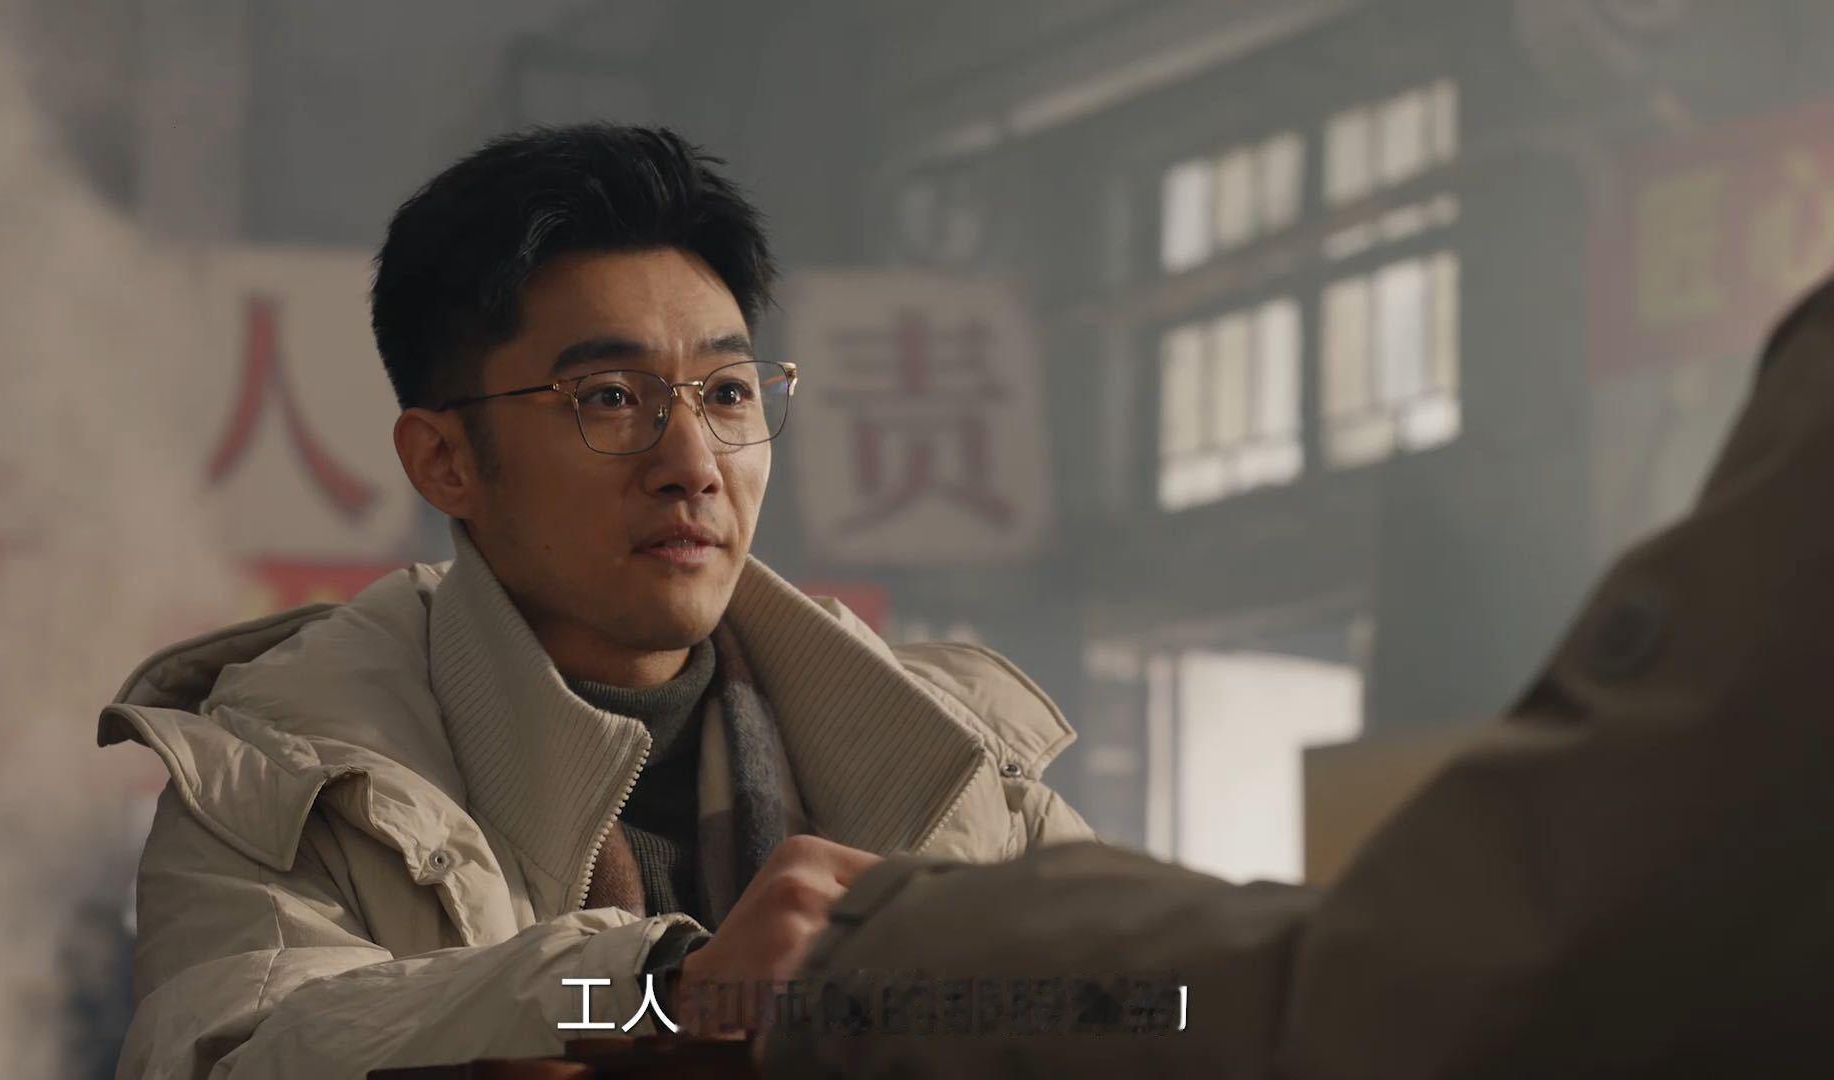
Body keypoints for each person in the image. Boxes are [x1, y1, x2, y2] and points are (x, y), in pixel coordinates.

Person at [98, 123, 1093, 1080]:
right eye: (611, 397)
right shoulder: (281, 781)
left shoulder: (953, 765)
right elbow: (238, 1054)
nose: (694, 463)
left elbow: (1148, 1010)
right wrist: (658, 995)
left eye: (729, 393)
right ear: (444, 461)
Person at [763, 275, 1834, 1078]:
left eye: (731, 391)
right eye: (640, 394)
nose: (692, 462)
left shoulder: (971, 786)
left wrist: (891, 958)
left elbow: (1471, 997)